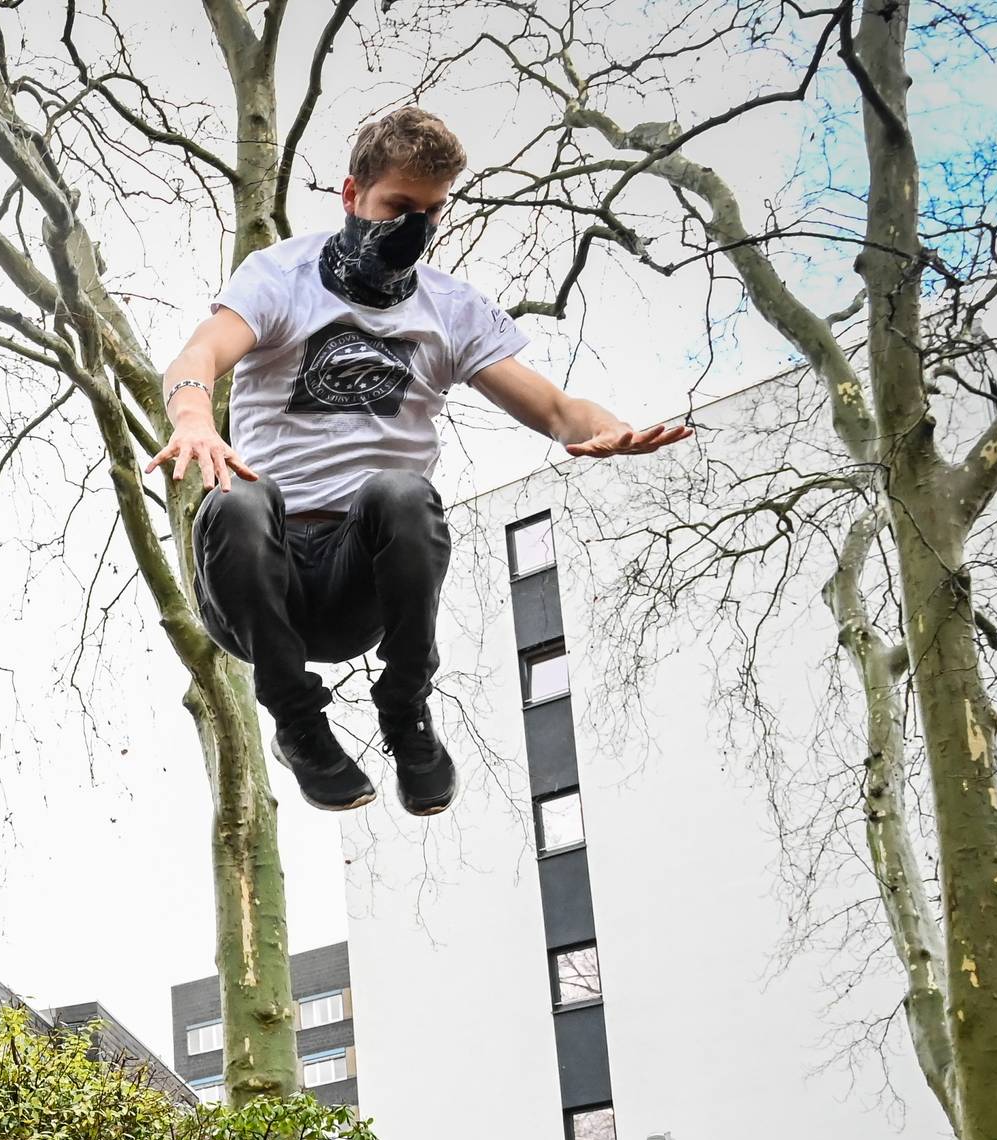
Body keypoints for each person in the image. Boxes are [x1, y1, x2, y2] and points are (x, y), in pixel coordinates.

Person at [153, 107, 689, 816]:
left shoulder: (451, 310)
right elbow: (200, 355)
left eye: (430, 213)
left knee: (402, 492)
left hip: (363, 583)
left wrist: (612, 427)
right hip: (259, 583)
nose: (413, 228)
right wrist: (194, 418)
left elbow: (559, 412)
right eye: (397, 207)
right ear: (352, 197)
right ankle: (297, 720)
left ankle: (405, 713)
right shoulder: (279, 277)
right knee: (239, 498)